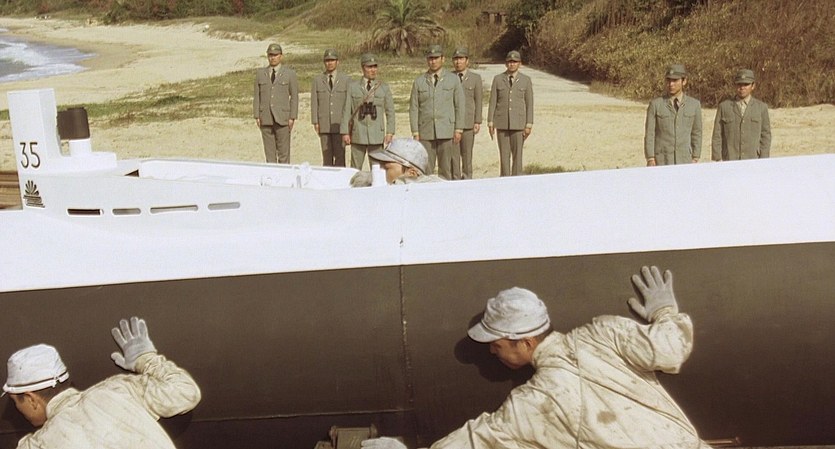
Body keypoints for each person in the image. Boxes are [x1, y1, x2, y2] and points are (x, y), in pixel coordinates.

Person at [363, 266, 712, 449]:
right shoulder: (606, 332)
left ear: (525, 342)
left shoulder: (533, 404)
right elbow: (671, 348)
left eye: (496, 344)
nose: (491, 351)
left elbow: (477, 440)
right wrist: (665, 310)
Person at [3, 316, 201, 448]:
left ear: (31, 399)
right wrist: (146, 359)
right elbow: (185, 392)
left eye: (15, 402)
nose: (17, 411)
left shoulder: (39, 445)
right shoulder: (119, 389)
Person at [409, 44, 466, 180]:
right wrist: (415, 132)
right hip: (426, 131)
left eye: (436, 58)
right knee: (426, 169)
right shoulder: (419, 81)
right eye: (430, 58)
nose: (433, 61)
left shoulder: (453, 79)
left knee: (446, 169)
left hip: (446, 130)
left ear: (443, 59)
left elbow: (459, 105)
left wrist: (458, 129)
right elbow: (414, 107)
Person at [341, 53, 395, 170]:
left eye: (375, 66)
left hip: (376, 135)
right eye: (369, 67)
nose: (373, 70)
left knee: (378, 170)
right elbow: (346, 110)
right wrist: (345, 132)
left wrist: (390, 132)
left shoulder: (384, 87)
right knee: (355, 170)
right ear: (363, 68)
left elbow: (390, 111)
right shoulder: (353, 87)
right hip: (358, 134)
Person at [644, 64, 702, 166]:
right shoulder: (656, 105)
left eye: (675, 80)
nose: (671, 84)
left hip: (685, 159)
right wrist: (650, 157)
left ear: (684, 81)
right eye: (668, 80)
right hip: (662, 160)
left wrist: (695, 157)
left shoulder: (694, 105)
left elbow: (696, 132)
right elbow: (650, 133)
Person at [488, 50, 534, 176]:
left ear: (520, 63)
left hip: (519, 124)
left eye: (514, 62)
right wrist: (490, 121)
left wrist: (529, 124)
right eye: (509, 62)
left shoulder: (526, 80)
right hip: (502, 123)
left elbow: (529, 103)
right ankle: (504, 180)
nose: (512, 64)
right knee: (504, 156)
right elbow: (493, 101)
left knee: (517, 156)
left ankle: (517, 180)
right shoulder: (498, 79)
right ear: (505, 63)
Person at [711, 68, 771, 161]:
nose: (742, 87)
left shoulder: (761, 108)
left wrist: (764, 159)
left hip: (753, 160)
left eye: (746, 84)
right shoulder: (724, 107)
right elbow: (717, 135)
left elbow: (765, 135)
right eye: (739, 84)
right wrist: (717, 158)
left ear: (753, 86)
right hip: (730, 160)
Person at [253, 43, 299, 163]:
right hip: (266, 118)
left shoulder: (290, 74)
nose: (272, 57)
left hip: (283, 119)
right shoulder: (260, 74)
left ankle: (284, 175)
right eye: (270, 55)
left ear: (281, 56)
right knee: (270, 157)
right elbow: (257, 96)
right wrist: (257, 115)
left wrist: (292, 117)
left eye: (275, 55)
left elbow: (294, 96)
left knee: (284, 155)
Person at [311, 49, 352, 166]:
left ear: (338, 62)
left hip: (340, 125)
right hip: (324, 124)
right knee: (326, 158)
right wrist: (315, 121)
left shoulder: (346, 80)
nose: (330, 63)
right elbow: (314, 102)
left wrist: (348, 124)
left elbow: (349, 103)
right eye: (327, 60)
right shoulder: (317, 80)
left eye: (332, 60)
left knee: (340, 157)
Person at [349, 138, 443, 186]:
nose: (380, 170)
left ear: (412, 173)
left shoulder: (431, 187)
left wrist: (399, 183)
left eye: (386, 168)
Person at [451, 47, 483, 180]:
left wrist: (477, 121)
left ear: (467, 61)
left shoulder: (475, 78)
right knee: (453, 156)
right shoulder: (448, 78)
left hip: (468, 123)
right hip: (452, 123)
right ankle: (455, 180)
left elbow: (478, 100)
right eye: (456, 59)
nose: (458, 62)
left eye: (461, 59)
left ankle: (467, 179)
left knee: (467, 155)